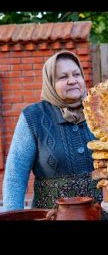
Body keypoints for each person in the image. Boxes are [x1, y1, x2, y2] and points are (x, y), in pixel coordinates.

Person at [2, 50, 102, 212]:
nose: (72, 81)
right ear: (49, 82)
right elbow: (15, 177)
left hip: (103, 214)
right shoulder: (34, 117)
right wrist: (12, 216)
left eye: (77, 74)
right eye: (63, 77)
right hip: (53, 215)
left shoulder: (101, 111)